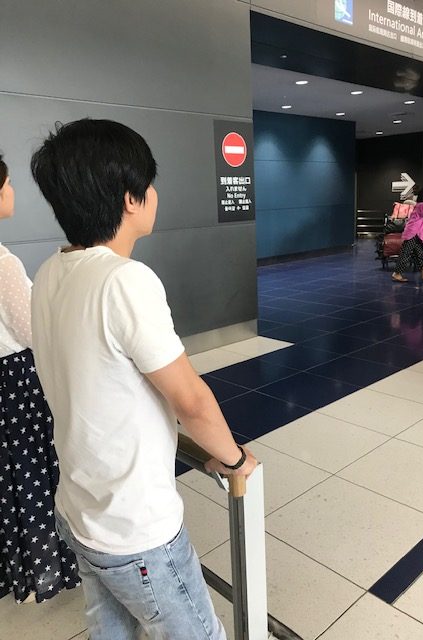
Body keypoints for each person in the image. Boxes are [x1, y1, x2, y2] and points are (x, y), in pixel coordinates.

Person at [30, 119, 257, 640]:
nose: (154, 194)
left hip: (81, 510)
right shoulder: (124, 281)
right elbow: (190, 398)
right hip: (137, 531)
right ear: (130, 198)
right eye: (148, 184)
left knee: (111, 632)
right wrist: (234, 459)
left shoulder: (49, 272)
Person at [0, 155, 79, 604]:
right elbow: (31, 329)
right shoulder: (4, 263)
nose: (12, 191)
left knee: (8, 476)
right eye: (8, 183)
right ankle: (44, 567)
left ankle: (17, 568)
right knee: (31, 469)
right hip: (15, 381)